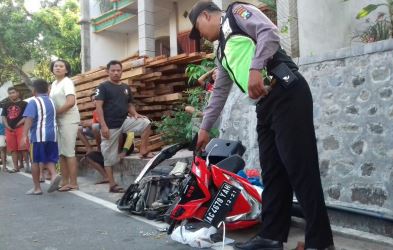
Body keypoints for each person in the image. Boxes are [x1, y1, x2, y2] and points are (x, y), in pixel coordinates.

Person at [188, 1, 334, 250]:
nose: (199, 35)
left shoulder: (235, 14)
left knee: (300, 168)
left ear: (206, 15)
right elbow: (220, 92)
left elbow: (269, 32)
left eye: (197, 28)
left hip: (287, 91)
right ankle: (271, 237)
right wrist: (204, 128)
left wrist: (256, 68)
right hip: (265, 106)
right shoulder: (221, 52)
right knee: (273, 171)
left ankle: (320, 243)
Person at [95, 60, 154, 193]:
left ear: (122, 71)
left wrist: (135, 114)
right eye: (113, 70)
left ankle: (143, 150)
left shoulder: (125, 88)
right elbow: (98, 107)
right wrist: (103, 126)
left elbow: (129, 105)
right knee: (109, 156)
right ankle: (112, 185)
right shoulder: (102, 87)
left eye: (118, 70)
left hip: (124, 121)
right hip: (110, 126)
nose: (116, 73)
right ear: (108, 72)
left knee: (146, 123)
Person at [20, 79, 62, 195]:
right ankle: (54, 175)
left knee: (35, 160)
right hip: (52, 136)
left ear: (33, 91)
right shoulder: (52, 101)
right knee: (49, 158)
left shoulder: (34, 102)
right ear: (48, 89)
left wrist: (24, 136)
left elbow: (29, 119)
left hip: (38, 136)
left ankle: (37, 188)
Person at [49, 59, 80, 192]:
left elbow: (70, 102)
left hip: (69, 119)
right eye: (56, 66)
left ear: (66, 70)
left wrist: (55, 114)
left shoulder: (67, 82)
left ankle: (73, 183)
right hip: (59, 120)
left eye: (61, 66)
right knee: (62, 153)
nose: (58, 68)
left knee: (69, 152)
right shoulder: (54, 83)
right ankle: (65, 181)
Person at [1, 87, 29, 173]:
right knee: (13, 149)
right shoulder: (6, 104)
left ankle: (28, 166)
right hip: (9, 129)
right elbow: (3, 117)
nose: (11, 95)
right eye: (9, 93)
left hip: (21, 128)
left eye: (13, 92)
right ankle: (15, 167)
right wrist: (7, 126)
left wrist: (19, 123)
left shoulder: (24, 103)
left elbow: (27, 116)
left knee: (24, 148)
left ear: (18, 93)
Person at [0, 107, 6, 172]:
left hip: (1, 131)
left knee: (2, 149)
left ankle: (4, 166)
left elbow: (4, 121)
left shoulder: (2, 109)